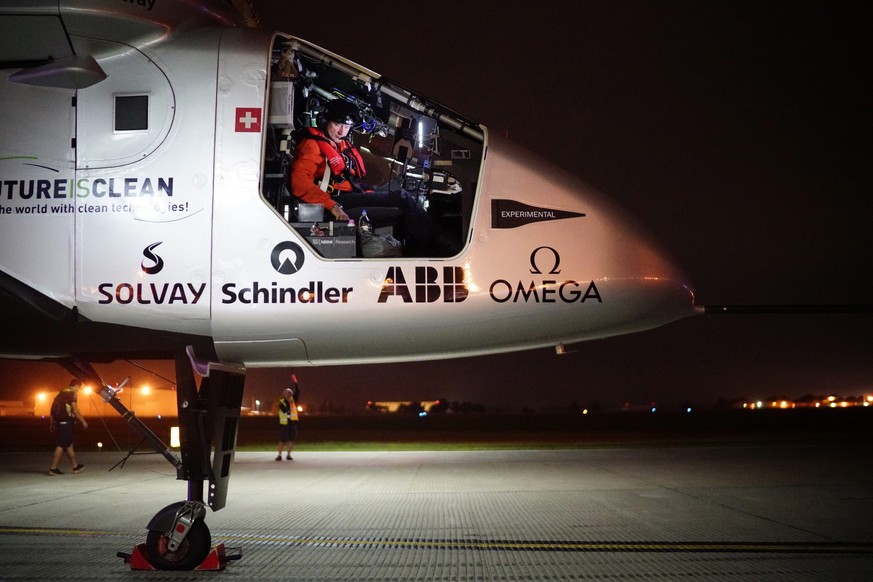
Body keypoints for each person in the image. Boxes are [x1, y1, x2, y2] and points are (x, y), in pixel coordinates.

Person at [289, 99, 459, 256]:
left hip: (348, 196)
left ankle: (431, 248)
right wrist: (333, 207)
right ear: (325, 121)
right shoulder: (311, 145)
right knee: (401, 198)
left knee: (403, 199)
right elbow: (300, 184)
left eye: (347, 127)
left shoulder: (339, 143)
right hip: (334, 202)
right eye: (337, 124)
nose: (342, 131)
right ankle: (448, 249)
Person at [48, 379, 89, 476]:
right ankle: (53, 468)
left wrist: (51, 423)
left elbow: (52, 410)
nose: (78, 390)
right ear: (76, 386)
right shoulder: (72, 394)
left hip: (59, 421)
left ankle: (75, 466)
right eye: (79, 388)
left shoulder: (60, 394)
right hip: (66, 422)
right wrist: (83, 421)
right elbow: (74, 410)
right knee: (61, 444)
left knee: (69, 443)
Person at [276, 375, 300, 461]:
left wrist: (295, 381)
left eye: (290, 393)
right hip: (284, 424)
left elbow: (297, 391)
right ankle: (279, 455)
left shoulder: (294, 400)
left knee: (291, 439)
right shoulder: (281, 402)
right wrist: (288, 403)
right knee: (282, 440)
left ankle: (289, 455)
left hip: (292, 423)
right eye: (287, 393)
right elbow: (284, 410)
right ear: (284, 394)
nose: (289, 395)